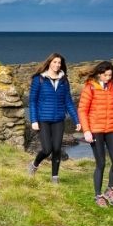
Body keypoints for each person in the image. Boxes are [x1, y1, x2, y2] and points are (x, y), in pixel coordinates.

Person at [77, 61, 113, 208]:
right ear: (99, 74)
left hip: (112, 129)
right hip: (95, 130)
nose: (108, 77)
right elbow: (82, 111)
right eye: (106, 75)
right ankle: (98, 196)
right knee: (100, 163)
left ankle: (110, 190)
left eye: (110, 75)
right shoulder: (90, 88)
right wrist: (86, 130)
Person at [27, 53, 81, 183]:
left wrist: (77, 120)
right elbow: (32, 101)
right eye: (55, 62)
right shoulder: (39, 79)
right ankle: (34, 165)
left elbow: (68, 102)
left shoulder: (64, 80)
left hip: (58, 119)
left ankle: (55, 178)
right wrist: (33, 120)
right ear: (49, 62)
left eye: (59, 63)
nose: (57, 65)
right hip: (43, 119)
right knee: (47, 149)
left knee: (57, 149)